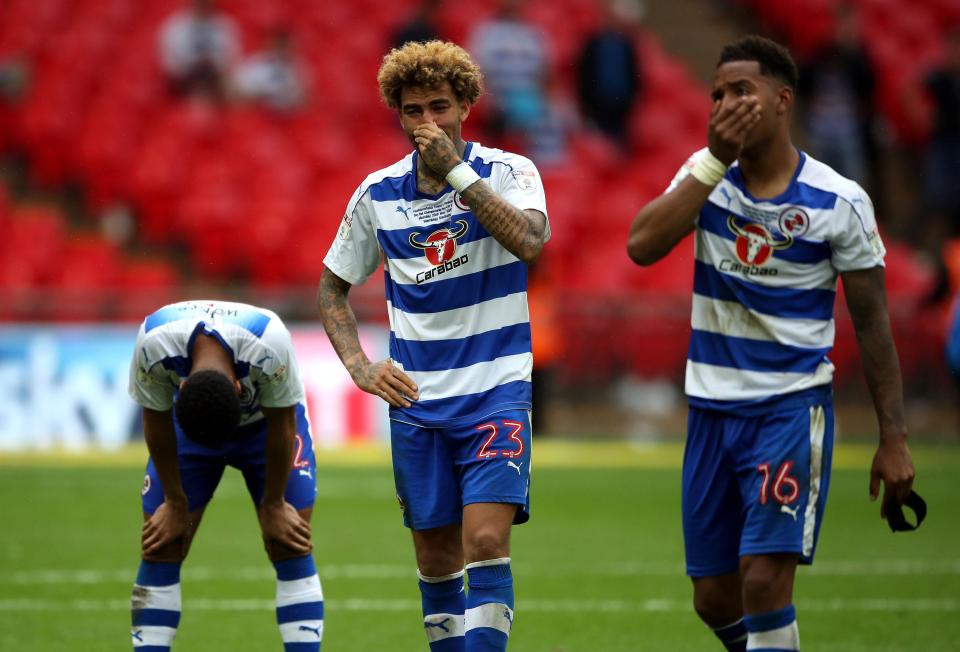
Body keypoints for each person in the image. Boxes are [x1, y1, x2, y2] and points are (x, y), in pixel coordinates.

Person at [626, 36, 915, 651]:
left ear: (782, 101)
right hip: (709, 411)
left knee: (763, 581)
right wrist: (711, 161)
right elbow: (641, 247)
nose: (725, 104)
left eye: (741, 91)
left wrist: (893, 437)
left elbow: (872, 322)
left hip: (788, 410)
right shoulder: (706, 179)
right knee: (713, 596)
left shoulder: (839, 201)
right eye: (717, 94)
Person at [317, 40, 548, 652]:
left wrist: (458, 174)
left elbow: (529, 241)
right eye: (413, 109)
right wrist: (361, 367)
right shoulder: (377, 195)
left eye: (440, 106)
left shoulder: (510, 171)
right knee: (436, 559)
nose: (428, 122)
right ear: (397, 113)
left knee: (486, 544)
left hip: (496, 392)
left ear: (467, 105)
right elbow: (331, 289)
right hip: (417, 400)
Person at [127, 300, 323, 651]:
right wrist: (174, 501)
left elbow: (283, 424)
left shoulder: (269, 341)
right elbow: (155, 420)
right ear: (182, 388)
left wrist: (275, 503)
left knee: (289, 539)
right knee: (162, 541)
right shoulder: (152, 342)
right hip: (191, 428)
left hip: (266, 425)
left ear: (239, 389)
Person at [576, 0, 642, 145]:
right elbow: (585, 73)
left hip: (621, 105)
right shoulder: (594, 41)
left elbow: (634, 73)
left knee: (617, 141)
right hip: (597, 103)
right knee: (599, 141)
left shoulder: (626, 44)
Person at [158, 0, 240, 101]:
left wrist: (213, 64)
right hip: (186, 77)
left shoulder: (225, 25)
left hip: (215, 77)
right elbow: (169, 63)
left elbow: (232, 59)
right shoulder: (175, 26)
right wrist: (192, 65)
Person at [232, 28, 309, 113]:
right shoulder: (257, 65)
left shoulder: (300, 67)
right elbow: (239, 94)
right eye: (280, 46)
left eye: (286, 46)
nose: (283, 51)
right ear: (272, 45)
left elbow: (307, 100)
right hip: (262, 115)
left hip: (290, 115)